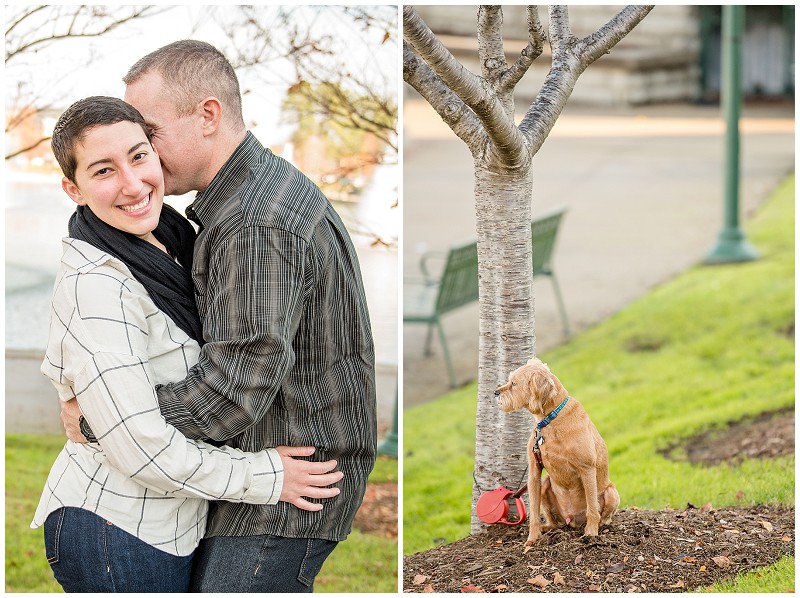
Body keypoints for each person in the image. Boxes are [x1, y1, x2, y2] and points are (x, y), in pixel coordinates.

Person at [62, 40, 378, 592]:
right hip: (270, 471)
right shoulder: (246, 202)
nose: (147, 157)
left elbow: (233, 389)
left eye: (150, 134)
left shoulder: (256, 222)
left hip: (293, 479)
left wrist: (104, 420)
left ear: (207, 115)